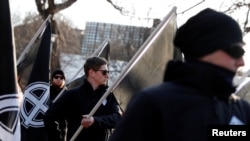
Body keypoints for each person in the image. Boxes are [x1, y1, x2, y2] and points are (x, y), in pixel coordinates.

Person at [108, 8, 250, 141]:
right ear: (206, 48)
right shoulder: (153, 103)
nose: (241, 62)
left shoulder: (241, 109)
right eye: (237, 51)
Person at [44, 56, 121, 141]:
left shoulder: (109, 96)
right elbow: (49, 116)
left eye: (108, 72)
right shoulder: (72, 94)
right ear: (92, 72)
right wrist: (58, 139)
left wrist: (95, 121)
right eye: (104, 72)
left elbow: (117, 119)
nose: (107, 76)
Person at [46, 69, 67, 141]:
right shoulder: (47, 91)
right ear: (52, 79)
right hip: (47, 124)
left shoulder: (67, 93)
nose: (59, 79)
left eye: (61, 78)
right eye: (56, 77)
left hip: (61, 125)